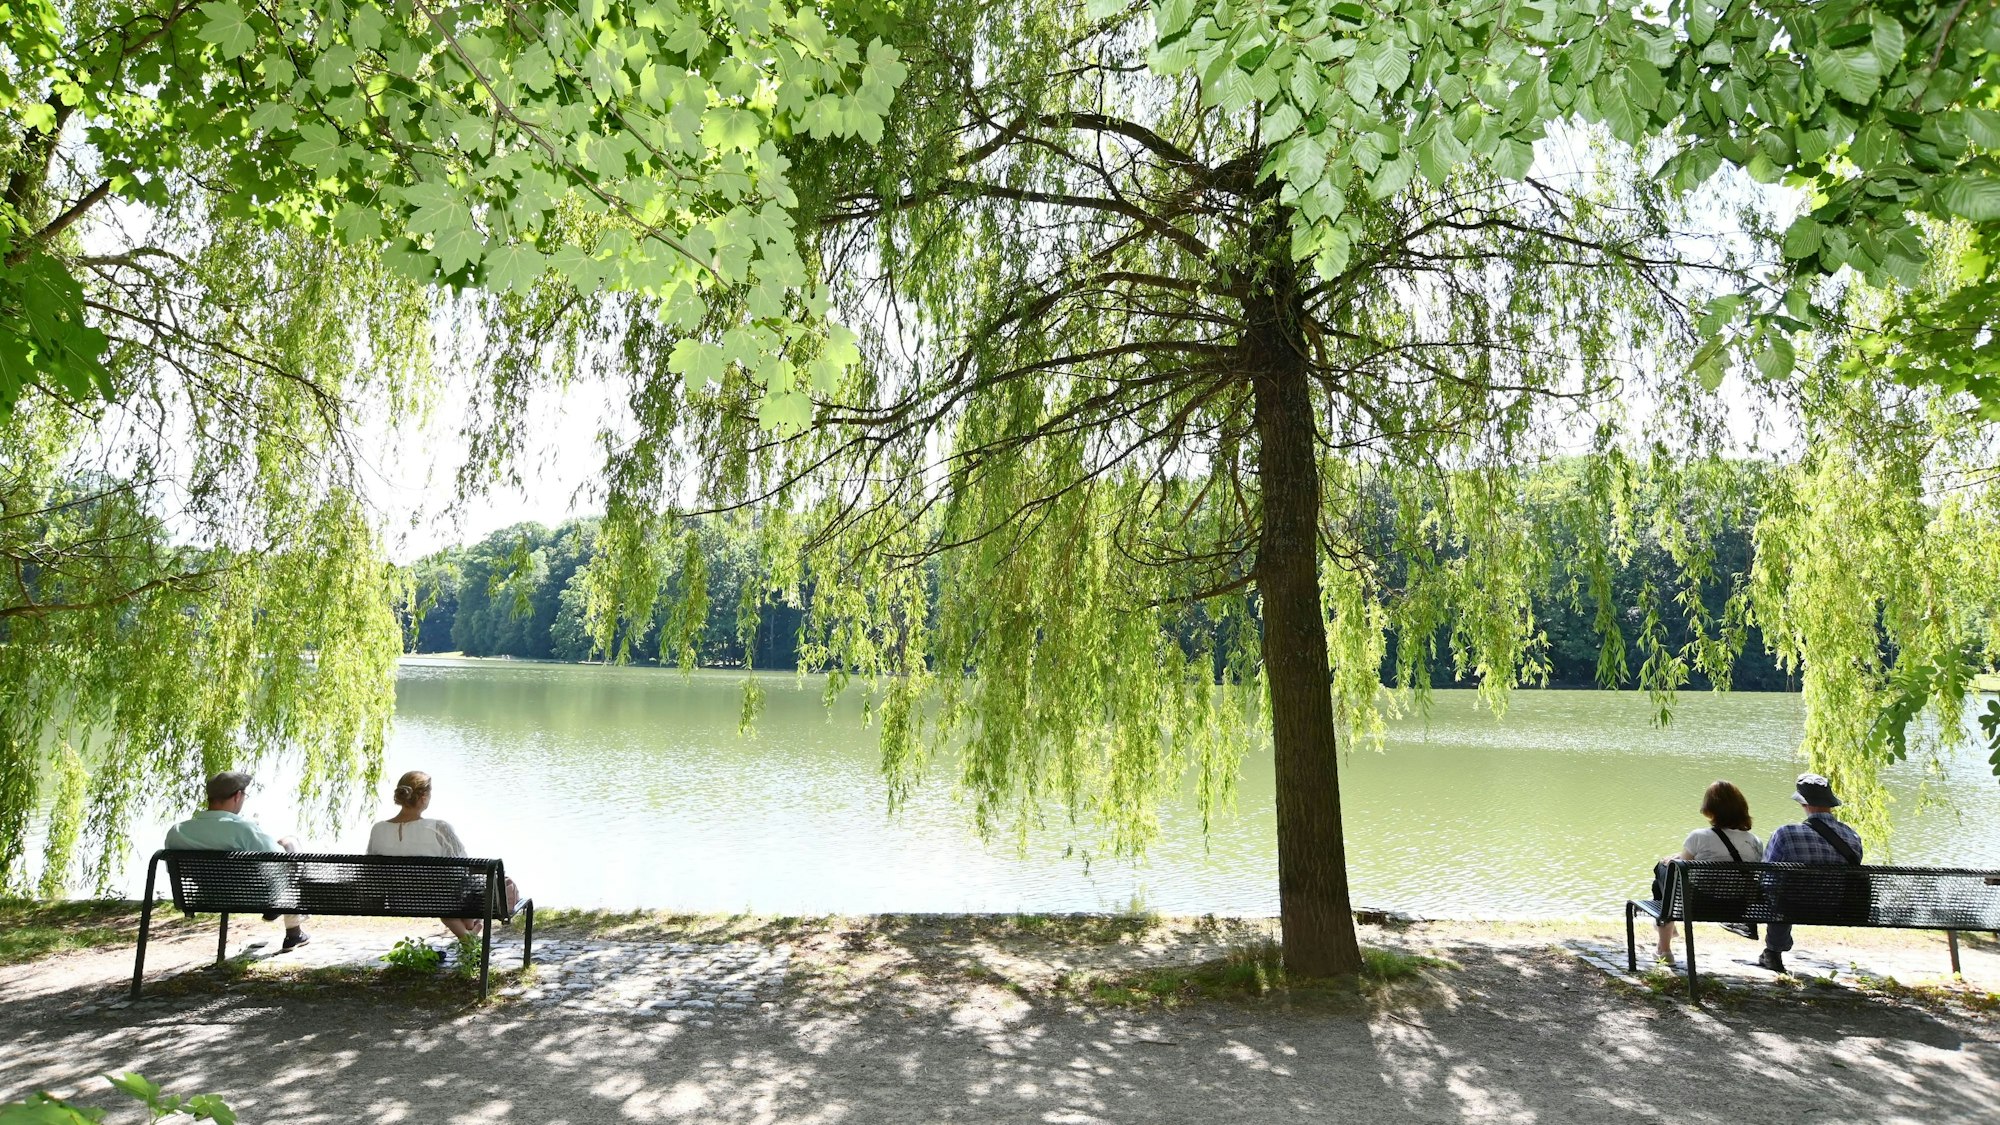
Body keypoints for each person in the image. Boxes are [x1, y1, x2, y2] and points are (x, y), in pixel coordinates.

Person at [164, 770, 310, 951]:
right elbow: (279, 859)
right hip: (253, 898)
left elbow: (172, 870)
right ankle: (293, 931)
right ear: (238, 796)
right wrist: (284, 843)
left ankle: (288, 921)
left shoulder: (177, 831)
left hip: (206, 897)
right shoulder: (244, 829)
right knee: (290, 845)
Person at [367, 770, 520, 938]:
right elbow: (463, 865)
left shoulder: (378, 829)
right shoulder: (438, 828)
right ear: (423, 796)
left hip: (398, 902)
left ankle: (468, 933)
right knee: (497, 883)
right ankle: (470, 924)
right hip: (439, 902)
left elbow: (371, 872)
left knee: (451, 892)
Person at [1754, 772, 1864, 974]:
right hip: (1836, 907)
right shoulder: (1852, 836)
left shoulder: (1786, 833)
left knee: (1777, 891)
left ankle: (1773, 951)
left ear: (1803, 803)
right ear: (1830, 803)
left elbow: (1766, 876)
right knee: (1784, 891)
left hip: (1792, 905)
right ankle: (1772, 951)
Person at [1651, 780, 1762, 963]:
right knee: (1668, 876)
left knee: (1663, 871)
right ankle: (1665, 930)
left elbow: (1680, 872)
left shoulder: (1699, 837)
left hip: (1699, 904)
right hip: (1738, 905)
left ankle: (1665, 944)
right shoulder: (1755, 841)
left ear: (1710, 808)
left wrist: (1670, 861)